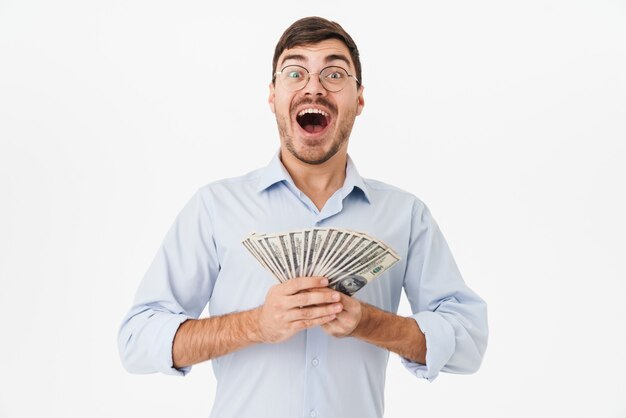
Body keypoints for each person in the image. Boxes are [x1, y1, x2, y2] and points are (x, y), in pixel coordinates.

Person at [118, 16, 488, 418]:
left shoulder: (405, 215)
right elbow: (138, 340)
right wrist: (256, 325)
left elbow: (468, 342)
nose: (313, 86)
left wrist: (367, 322)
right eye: (295, 72)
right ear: (273, 95)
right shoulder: (214, 207)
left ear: (359, 99)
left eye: (334, 73)